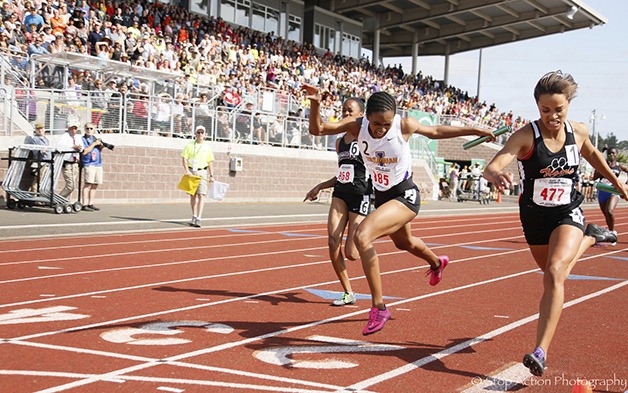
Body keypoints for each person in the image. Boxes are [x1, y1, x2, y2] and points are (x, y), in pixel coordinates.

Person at [304, 83, 494, 335]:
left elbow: (436, 130)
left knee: (362, 236)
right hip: (383, 197)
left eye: (387, 124)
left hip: (405, 194)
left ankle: (379, 307)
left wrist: (475, 129)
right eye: (376, 124)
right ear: (367, 118)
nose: (382, 129)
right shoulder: (357, 126)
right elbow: (318, 129)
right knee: (405, 243)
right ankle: (437, 262)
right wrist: (315, 102)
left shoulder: (404, 125)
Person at [482, 70, 627, 377]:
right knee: (551, 276)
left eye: (558, 110)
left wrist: (616, 181)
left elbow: (595, 157)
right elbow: (494, 164)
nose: (552, 116)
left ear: (568, 105)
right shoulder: (525, 136)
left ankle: (540, 351)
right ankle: (590, 238)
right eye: (545, 110)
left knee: (555, 272)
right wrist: (494, 175)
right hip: (534, 217)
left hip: (567, 212)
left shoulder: (579, 132)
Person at [303, 97, 370, 307]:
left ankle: (373, 230)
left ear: (361, 115)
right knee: (333, 242)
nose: (344, 114)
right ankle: (348, 292)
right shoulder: (340, 141)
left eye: (349, 111)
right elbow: (341, 173)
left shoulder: (367, 139)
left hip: (361, 196)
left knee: (352, 253)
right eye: (342, 110)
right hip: (340, 194)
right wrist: (320, 186)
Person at [181, 125, 215, 228]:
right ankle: (194, 215)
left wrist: (212, 175)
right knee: (193, 195)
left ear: (204, 135)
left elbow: (210, 162)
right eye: (198, 132)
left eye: (202, 133)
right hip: (192, 171)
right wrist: (187, 171)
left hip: (202, 172)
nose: (200, 134)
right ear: (195, 134)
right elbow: (184, 159)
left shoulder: (207, 147)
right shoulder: (189, 145)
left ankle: (199, 218)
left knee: (202, 195)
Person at [592, 146, 628, 235]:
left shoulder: (619, 166)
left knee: (609, 211)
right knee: (607, 215)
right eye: (609, 153)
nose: (611, 155)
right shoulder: (602, 165)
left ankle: (612, 233)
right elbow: (594, 177)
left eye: (613, 153)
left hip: (613, 191)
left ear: (617, 155)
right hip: (603, 190)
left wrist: (626, 184)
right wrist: (603, 168)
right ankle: (611, 231)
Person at [56, 122, 84, 200]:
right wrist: (72, 147)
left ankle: (66, 200)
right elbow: (59, 147)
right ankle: (58, 199)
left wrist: (79, 148)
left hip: (74, 163)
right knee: (70, 185)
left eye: (75, 129)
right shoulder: (64, 137)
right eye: (72, 128)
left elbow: (81, 147)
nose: (74, 130)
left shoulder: (78, 137)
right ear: (68, 129)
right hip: (67, 163)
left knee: (73, 184)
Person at [81, 122, 105, 211]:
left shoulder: (95, 138)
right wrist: (94, 144)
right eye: (87, 128)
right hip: (89, 163)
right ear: (84, 129)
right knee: (88, 184)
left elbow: (99, 151)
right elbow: (85, 151)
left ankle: (91, 203)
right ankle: (84, 204)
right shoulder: (82, 139)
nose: (89, 130)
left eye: (91, 128)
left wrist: (101, 146)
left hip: (98, 163)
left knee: (95, 184)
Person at [25, 123, 51, 193]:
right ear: (36, 130)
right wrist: (42, 150)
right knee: (38, 180)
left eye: (41, 128)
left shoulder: (46, 139)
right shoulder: (35, 139)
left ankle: (38, 197)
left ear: (44, 129)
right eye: (38, 129)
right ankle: (35, 197)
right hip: (40, 162)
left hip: (47, 161)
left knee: (43, 181)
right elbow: (35, 151)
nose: (40, 130)